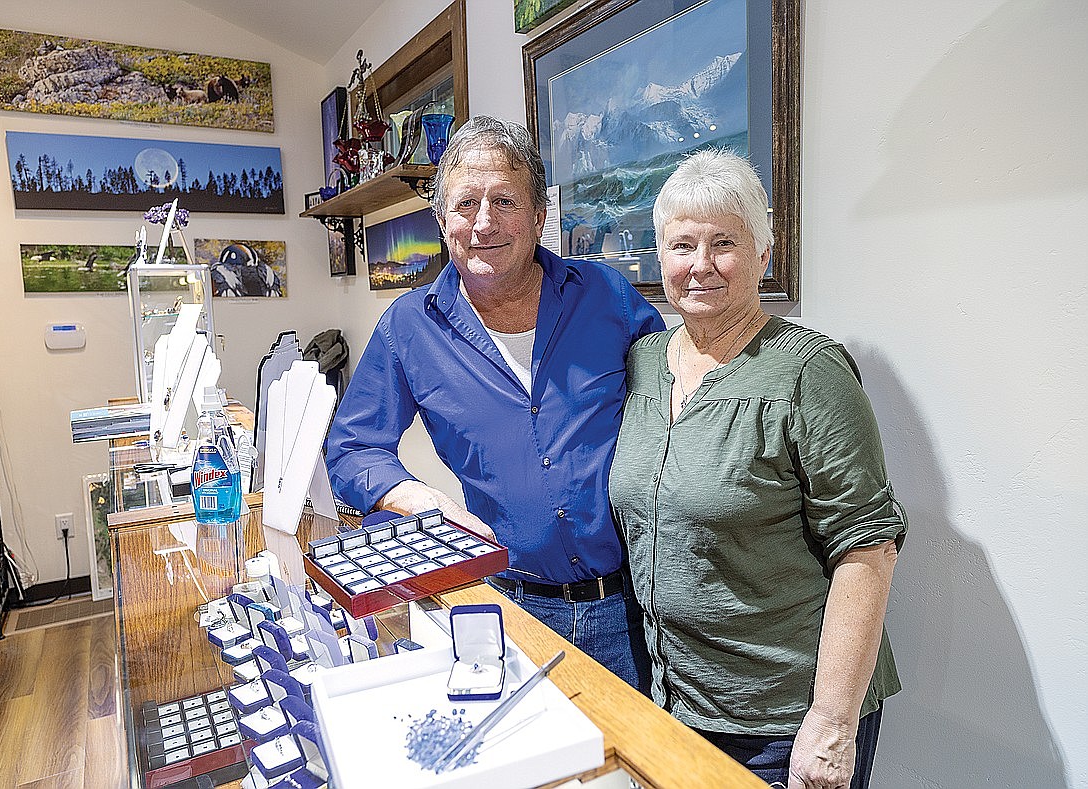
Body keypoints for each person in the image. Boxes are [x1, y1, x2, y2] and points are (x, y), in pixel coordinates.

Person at [326, 115, 665, 691]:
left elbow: (674, 403)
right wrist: (422, 501)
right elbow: (352, 449)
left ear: (539, 217)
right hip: (508, 608)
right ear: (441, 218)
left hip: (634, 609)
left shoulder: (606, 296)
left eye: (505, 201)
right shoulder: (410, 329)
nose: (484, 223)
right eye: (465, 205)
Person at [608, 149, 906, 788]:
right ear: (659, 258)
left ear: (764, 257)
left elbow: (869, 548)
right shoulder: (642, 363)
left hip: (784, 720)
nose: (700, 265)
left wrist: (830, 726)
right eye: (682, 244)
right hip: (675, 703)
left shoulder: (808, 371)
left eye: (724, 243)